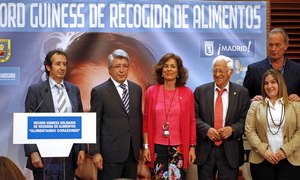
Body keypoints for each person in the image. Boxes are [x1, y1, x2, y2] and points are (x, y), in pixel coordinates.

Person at [24, 49, 87, 179]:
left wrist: (82, 148)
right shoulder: (36, 91)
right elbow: (27, 122)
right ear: (48, 67)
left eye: (64, 64)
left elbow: (81, 120)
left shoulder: (73, 90)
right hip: (44, 154)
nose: (62, 67)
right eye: (58, 64)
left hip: (69, 154)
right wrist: (32, 151)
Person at [194, 55, 250, 180]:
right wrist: (206, 130)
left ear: (230, 72)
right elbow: (194, 117)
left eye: (221, 70)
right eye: (214, 70)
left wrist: (232, 129)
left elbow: (245, 119)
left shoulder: (242, 93)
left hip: (230, 150)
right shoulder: (200, 91)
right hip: (205, 150)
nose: (217, 74)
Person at [89, 49, 143, 179]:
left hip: (132, 154)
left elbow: (138, 119)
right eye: (117, 66)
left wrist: (140, 147)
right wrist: (95, 152)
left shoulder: (137, 89)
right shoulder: (99, 92)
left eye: (125, 66)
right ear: (109, 69)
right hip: (109, 155)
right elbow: (94, 124)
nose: (121, 70)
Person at [142, 53, 196, 179]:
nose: (169, 69)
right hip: (156, 147)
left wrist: (192, 148)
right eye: (166, 66)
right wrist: (146, 147)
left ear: (178, 71)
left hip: (180, 149)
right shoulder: (151, 92)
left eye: (173, 66)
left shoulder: (187, 93)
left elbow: (191, 122)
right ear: (161, 70)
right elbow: (145, 122)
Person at [245, 69, 300, 180]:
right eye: (266, 83)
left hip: (289, 160)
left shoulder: (295, 105)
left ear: (280, 83)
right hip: (261, 159)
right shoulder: (256, 105)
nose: (269, 86)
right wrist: (264, 151)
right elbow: (249, 130)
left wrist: (285, 151)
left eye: (273, 82)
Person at [243, 28, 300, 101]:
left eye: (277, 45)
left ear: (286, 46)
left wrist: (298, 99)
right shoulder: (254, 70)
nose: (273, 49)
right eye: (270, 45)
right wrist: (251, 101)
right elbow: (243, 99)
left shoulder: (298, 70)